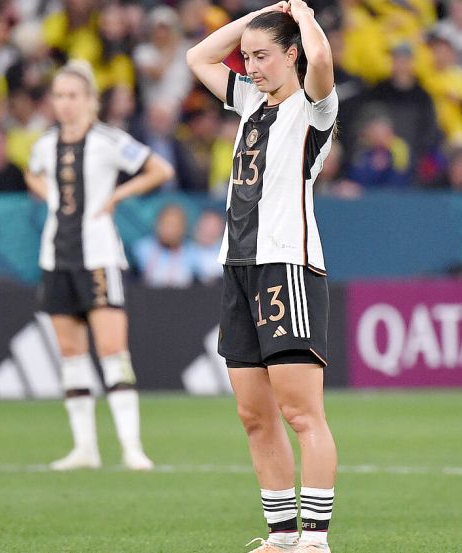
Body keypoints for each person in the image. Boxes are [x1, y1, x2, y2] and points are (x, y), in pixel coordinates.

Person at [186, 2, 338, 551]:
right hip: (238, 268)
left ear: (291, 54)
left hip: (286, 266)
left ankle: (315, 541)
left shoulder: (313, 108)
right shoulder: (250, 101)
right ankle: (280, 536)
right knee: (254, 416)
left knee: (301, 412)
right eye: (246, 57)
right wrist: (258, 16)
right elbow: (197, 55)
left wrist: (301, 13)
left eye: (263, 55)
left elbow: (320, 55)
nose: (250, 66)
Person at [24, 60, 174, 472]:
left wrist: (117, 196)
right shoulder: (45, 144)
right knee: (71, 354)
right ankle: (84, 448)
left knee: (112, 351)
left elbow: (160, 169)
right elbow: (32, 174)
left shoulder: (109, 140)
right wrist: (51, 195)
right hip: (56, 256)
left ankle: (131, 447)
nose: (65, 104)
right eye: (59, 96)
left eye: (73, 96)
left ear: (90, 101)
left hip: (99, 256)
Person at [133, 203, 195, 288]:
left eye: (174, 225)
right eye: (166, 224)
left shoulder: (192, 253)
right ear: (157, 224)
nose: (169, 230)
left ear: (183, 228)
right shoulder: (142, 249)